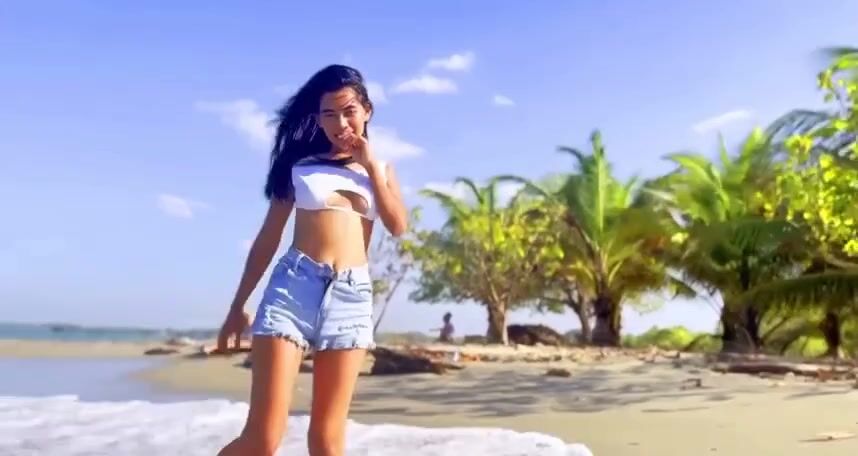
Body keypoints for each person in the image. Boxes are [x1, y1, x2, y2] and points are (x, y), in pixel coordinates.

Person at [216, 64, 408, 456]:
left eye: (349, 110)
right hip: (293, 289)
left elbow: (398, 225)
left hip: (351, 296)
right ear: (317, 118)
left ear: (367, 110)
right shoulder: (299, 166)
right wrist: (238, 305)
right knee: (262, 440)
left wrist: (370, 166)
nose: (340, 123)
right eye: (328, 114)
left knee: (326, 441)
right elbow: (268, 238)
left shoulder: (382, 170)